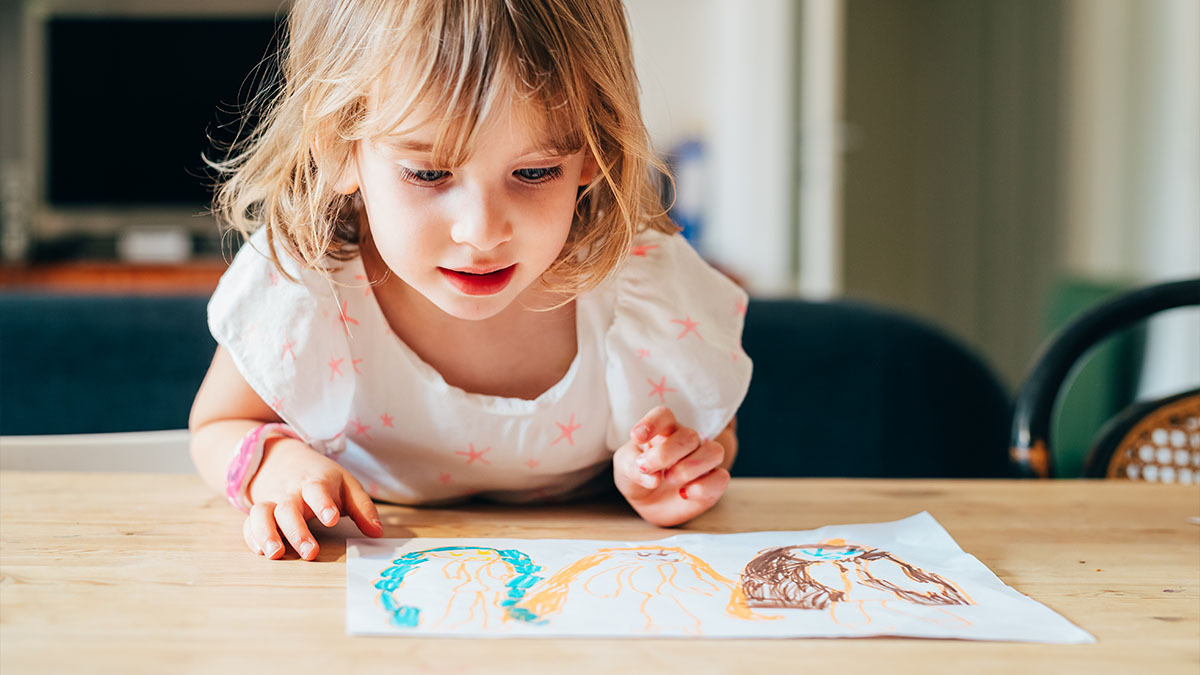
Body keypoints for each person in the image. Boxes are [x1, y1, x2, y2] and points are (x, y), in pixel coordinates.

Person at [189, 0, 751, 562]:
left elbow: (711, 431)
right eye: (429, 174)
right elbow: (219, 424)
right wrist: (279, 467)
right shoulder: (309, 278)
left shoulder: (638, 284)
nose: (482, 232)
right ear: (340, 148)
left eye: (534, 172)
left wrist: (669, 475)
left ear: (593, 148)